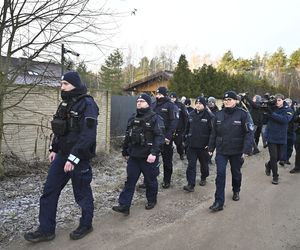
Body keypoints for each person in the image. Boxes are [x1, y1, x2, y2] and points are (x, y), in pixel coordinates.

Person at [24, 71, 99, 242]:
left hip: (78, 158)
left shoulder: (87, 104)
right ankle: (46, 230)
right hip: (62, 156)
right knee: (49, 191)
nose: (62, 87)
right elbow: (59, 130)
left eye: (65, 84)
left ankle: (86, 224)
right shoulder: (65, 104)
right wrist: (54, 149)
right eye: (61, 84)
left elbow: (88, 136)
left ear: (75, 85)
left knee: (82, 193)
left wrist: (73, 158)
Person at [112, 94, 164, 215]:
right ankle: (124, 205)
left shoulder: (155, 118)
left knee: (150, 180)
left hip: (148, 157)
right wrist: (125, 151)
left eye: (142, 101)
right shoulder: (133, 118)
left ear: (148, 103)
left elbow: (159, 137)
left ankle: (152, 200)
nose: (139, 103)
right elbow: (127, 135)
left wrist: (154, 153)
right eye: (138, 101)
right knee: (130, 181)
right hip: (134, 156)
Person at [208, 91, 253, 212]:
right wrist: (211, 148)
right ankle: (219, 201)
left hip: (237, 150)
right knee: (220, 175)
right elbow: (214, 133)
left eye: (230, 100)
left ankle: (236, 190)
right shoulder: (218, 114)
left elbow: (249, 133)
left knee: (236, 173)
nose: (227, 102)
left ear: (236, 101)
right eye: (225, 100)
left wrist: (246, 150)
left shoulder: (243, 114)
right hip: (222, 150)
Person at [183, 97, 214, 192]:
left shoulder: (209, 116)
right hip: (192, 145)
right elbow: (187, 128)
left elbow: (213, 132)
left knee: (204, 164)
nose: (198, 105)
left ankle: (204, 177)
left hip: (203, 146)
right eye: (196, 103)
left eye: (200, 103)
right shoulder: (191, 115)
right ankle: (190, 184)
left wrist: (209, 145)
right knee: (191, 165)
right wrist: (185, 139)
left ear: (204, 105)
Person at [264, 94, 293, 184]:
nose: (277, 102)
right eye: (276, 100)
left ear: (283, 101)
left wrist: (271, 113)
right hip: (271, 137)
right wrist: (266, 109)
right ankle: (275, 176)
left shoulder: (288, 110)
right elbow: (264, 120)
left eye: (279, 100)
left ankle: (268, 165)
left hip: (281, 137)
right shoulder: (272, 108)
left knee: (280, 157)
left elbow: (285, 120)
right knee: (274, 157)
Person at [153, 87, 178, 188]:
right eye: (157, 94)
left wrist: (168, 136)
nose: (158, 96)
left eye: (160, 94)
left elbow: (174, 122)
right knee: (151, 160)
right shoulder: (153, 105)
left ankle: (167, 180)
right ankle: (149, 180)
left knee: (167, 160)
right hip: (154, 137)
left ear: (165, 95)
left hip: (166, 138)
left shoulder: (171, 105)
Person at [170, 92, 188, 160]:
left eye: (173, 98)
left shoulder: (181, 105)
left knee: (179, 143)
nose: (172, 99)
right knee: (168, 144)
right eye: (171, 98)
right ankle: (169, 155)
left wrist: (185, 128)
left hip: (179, 129)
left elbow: (185, 117)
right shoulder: (168, 105)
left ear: (176, 98)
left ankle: (181, 153)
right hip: (170, 129)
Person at [290, 102, 300, 173]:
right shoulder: (299, 109)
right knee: (298, 150)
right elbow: (294, 119)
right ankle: (297, 167)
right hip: (299, 132)